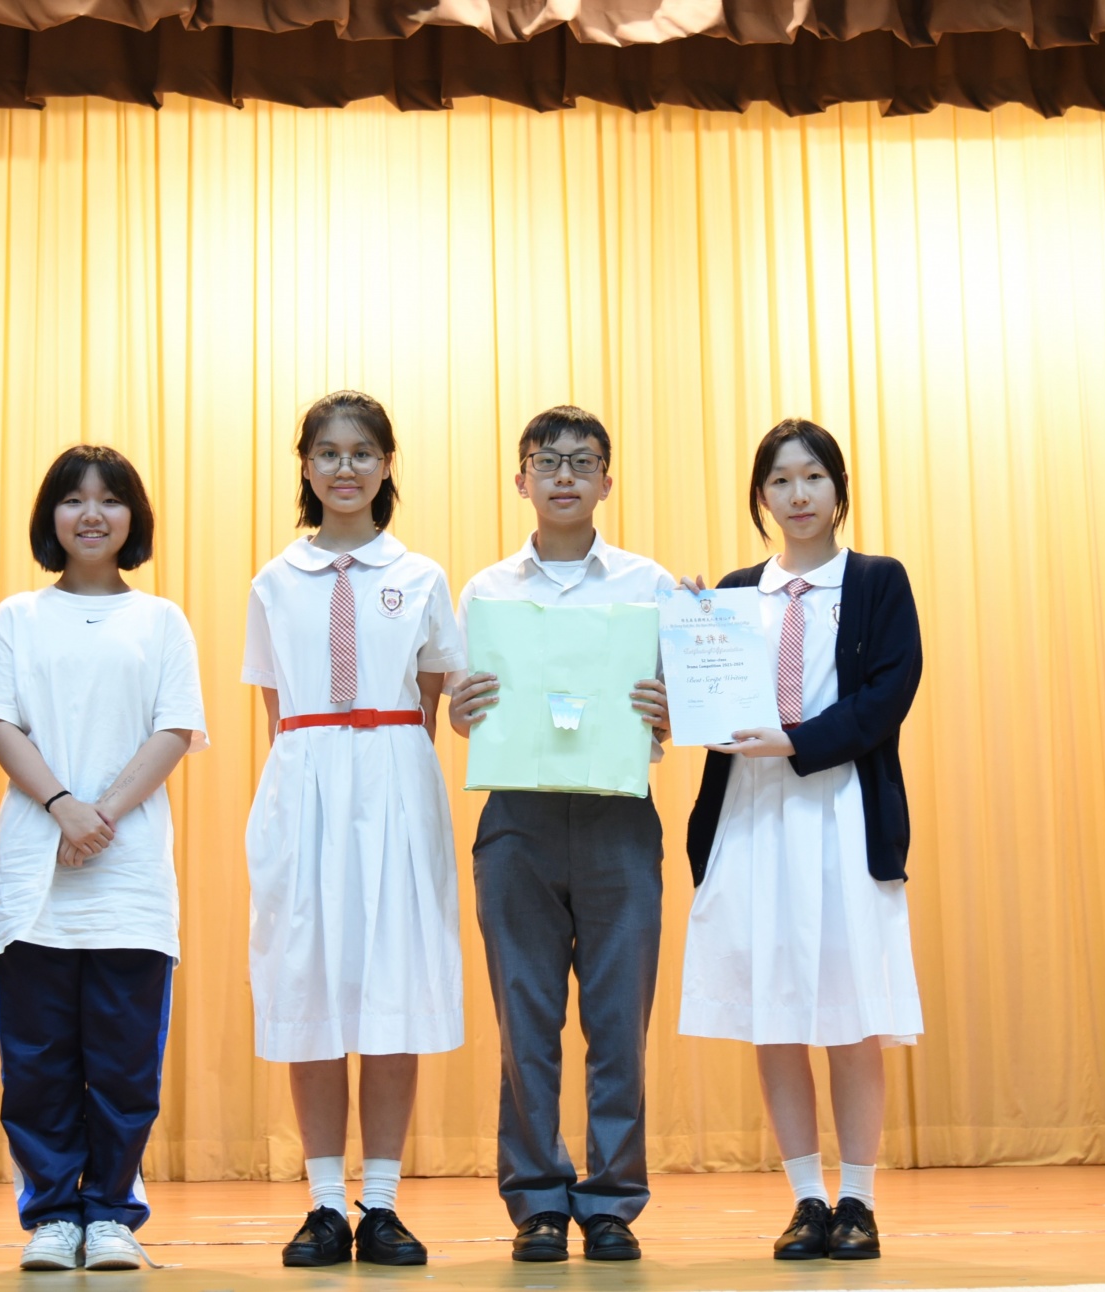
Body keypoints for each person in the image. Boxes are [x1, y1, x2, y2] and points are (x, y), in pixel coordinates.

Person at [678, 417, 924, 1262]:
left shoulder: (878, 581)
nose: (798, 495)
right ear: (761, 497)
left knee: (852, 1016)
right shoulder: (736, 592)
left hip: (840, 814)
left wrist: (797, 740)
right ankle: (806, 1200)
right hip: (751, 818)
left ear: (838, 490)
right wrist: (692, 638)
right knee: (774, 1017)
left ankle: (859, 1200)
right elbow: (709, 711)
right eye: (780, 481)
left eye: (813, 477)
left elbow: (888, 695)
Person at [0, 445, 206, 1274]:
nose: (92, 514)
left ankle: (110, 1214)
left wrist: (102, 814)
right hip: (37, 874)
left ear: (133, 517)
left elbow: (174, 729)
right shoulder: (18, 617)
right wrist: (63, 807)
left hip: (129, 878)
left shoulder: (162, 620)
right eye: (74, 499)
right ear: (51, 517)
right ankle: (50, 1216)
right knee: (36, 1062)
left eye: (110, 499)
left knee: (124, 1061)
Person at [242, 391, 467, 1268]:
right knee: (309, 987)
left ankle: (383, 1204)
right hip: (305, 786)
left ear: (386, 465)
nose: (345, 468)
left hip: (396, 787)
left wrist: (381, 776)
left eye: (362, 452)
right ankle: (325, 1205)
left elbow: (432, 702)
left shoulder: (423, 577)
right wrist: (314, 788)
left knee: (392, 991)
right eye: (329, 453)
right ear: (305, 466)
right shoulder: (274, 580)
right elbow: (277, 711)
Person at [446, 405, 674, 1263]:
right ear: (522, 480)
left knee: (618, 1023)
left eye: (582, 462)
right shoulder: (486, 590)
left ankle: (611, 1202)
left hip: (620, 816)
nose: (565, 476)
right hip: (519, 820)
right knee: (526, 1021)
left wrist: (674, 706)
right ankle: (538, 1200)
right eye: (548, 462)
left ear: (607, 480)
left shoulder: (650, 585)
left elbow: (685, 705)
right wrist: (462, 710)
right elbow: (467, 711)